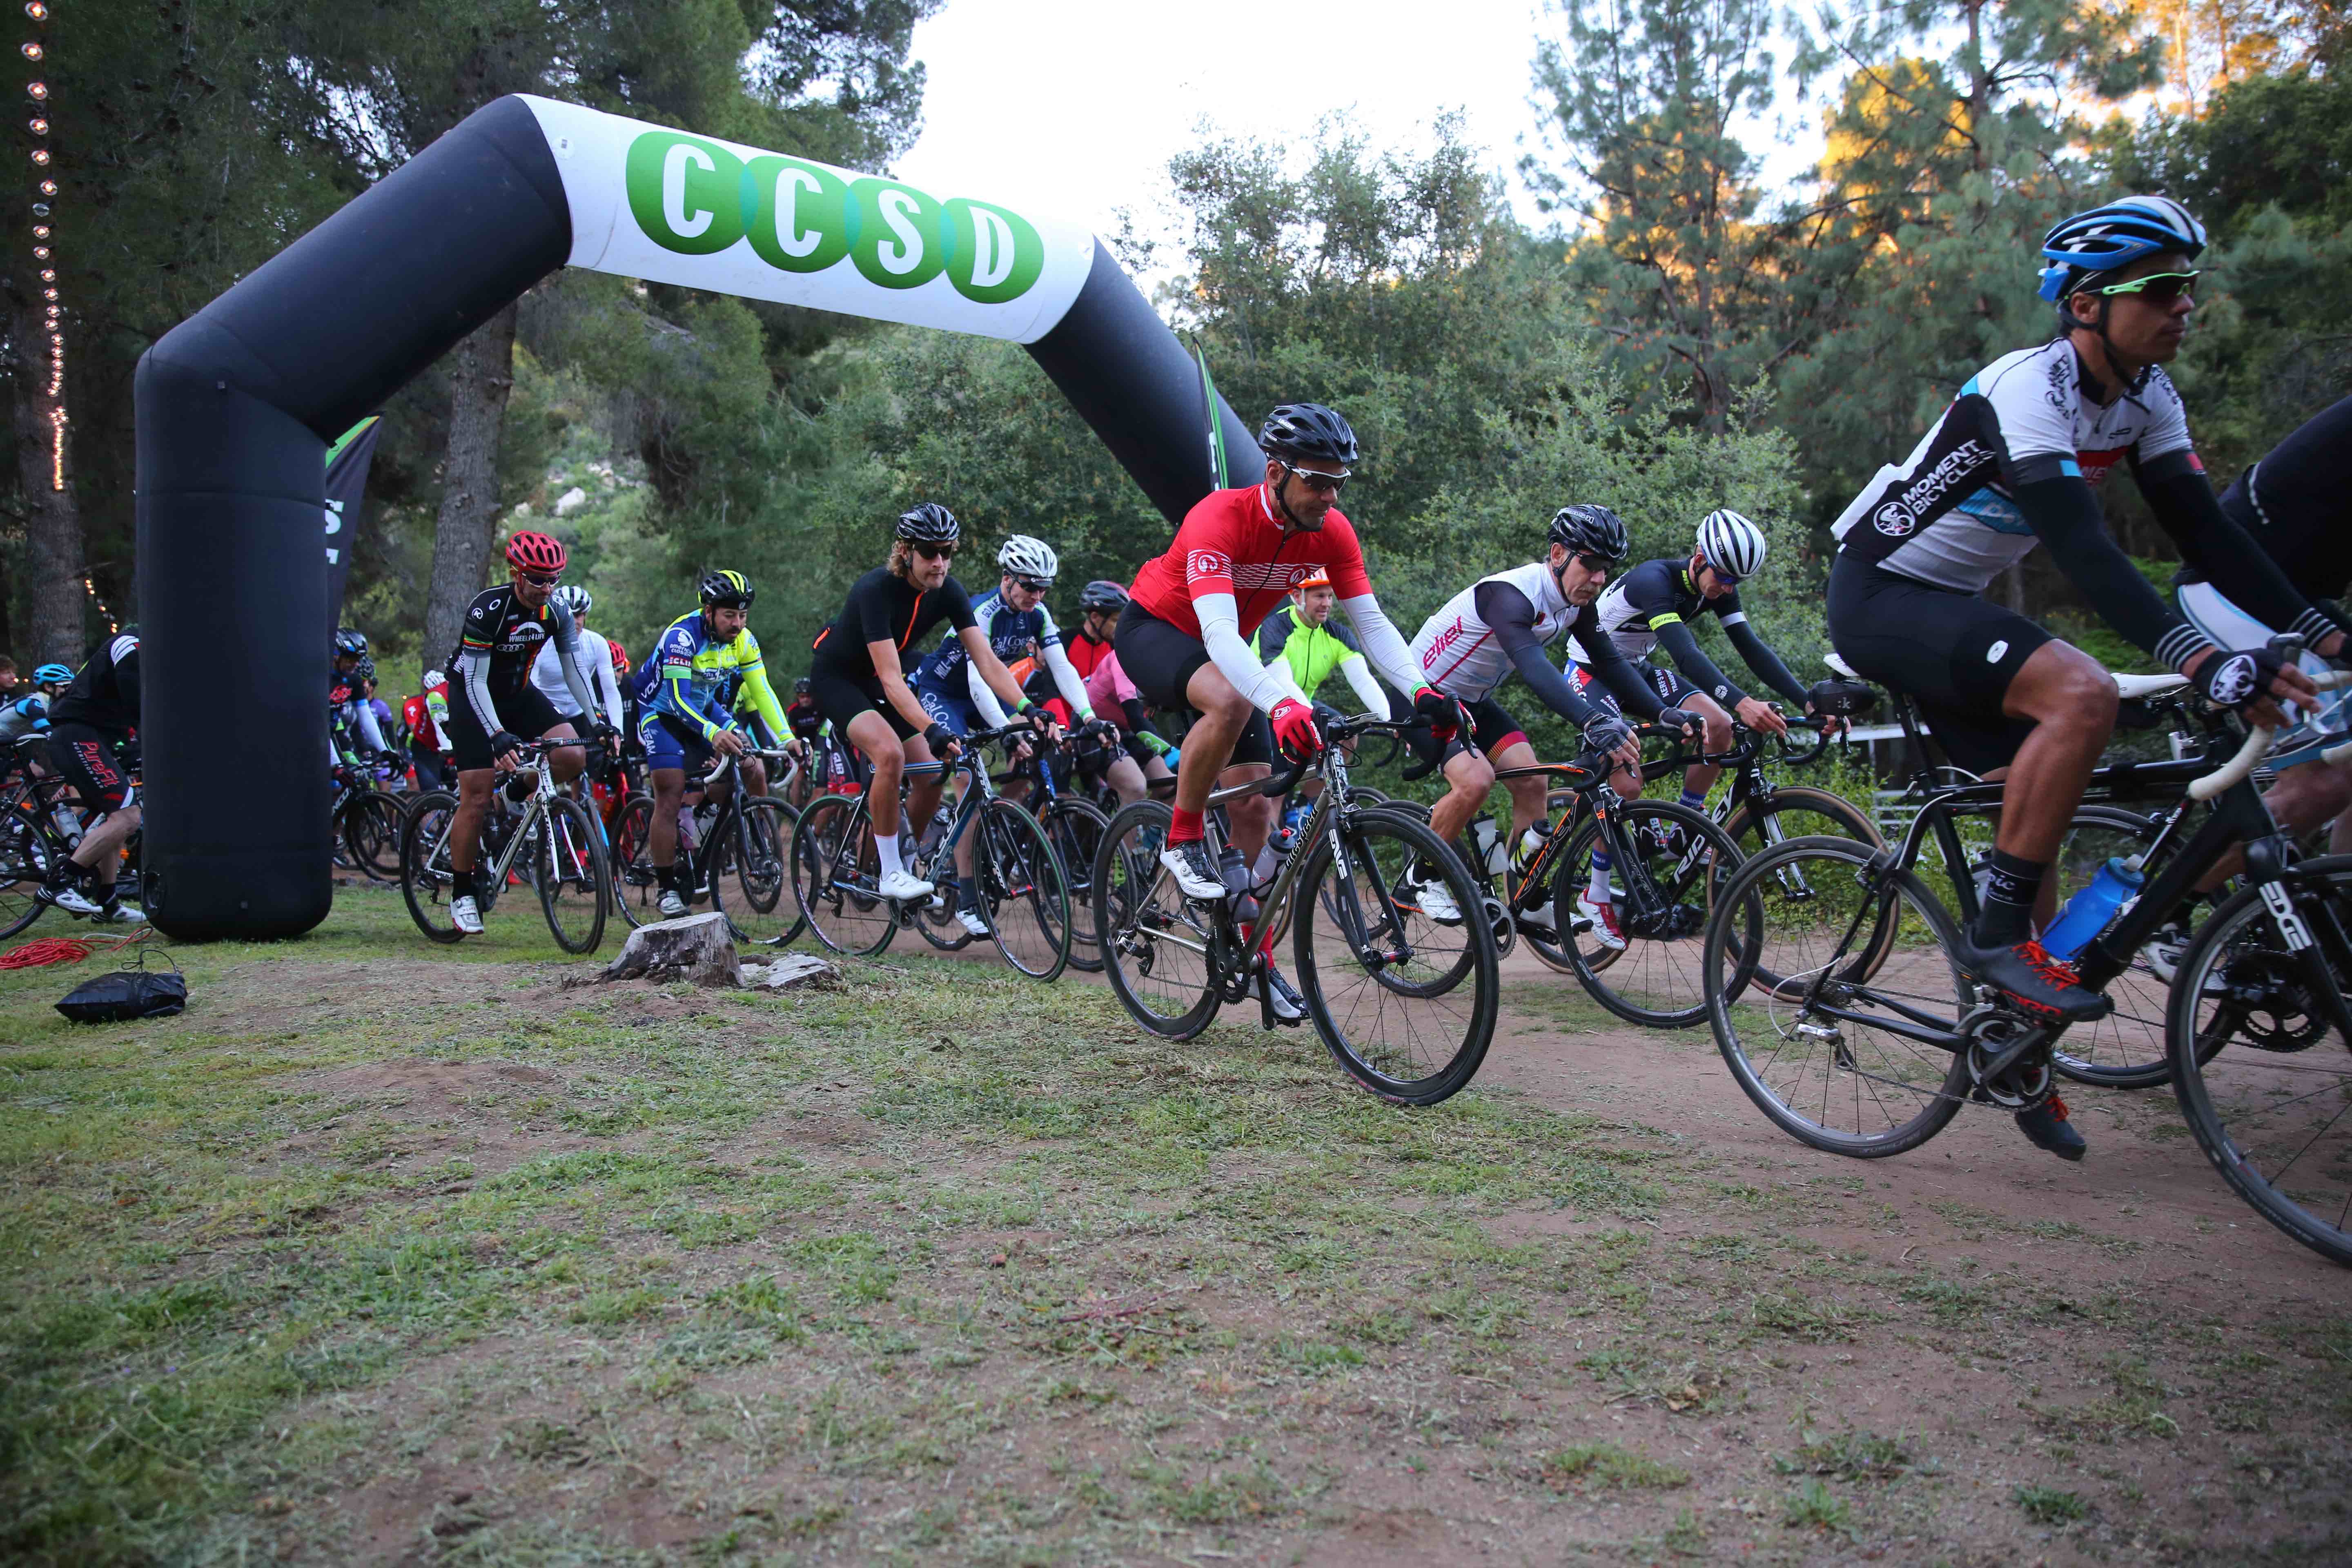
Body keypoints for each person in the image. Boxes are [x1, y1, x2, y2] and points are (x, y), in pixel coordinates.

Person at [1825, 194, 2343, 1158]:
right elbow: (2082, 548)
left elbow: (2206, 532)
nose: (2184, 305)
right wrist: (2199, 656)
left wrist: (2321, 631)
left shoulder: (2147, 395)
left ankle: (2015, 1052)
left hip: (1952, 606)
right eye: (2162, 288)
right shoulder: (2027, 388)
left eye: (2188, 286)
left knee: (2035, 822)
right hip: (1880, 594)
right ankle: (1993, 939)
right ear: (2085, 304)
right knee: (2083, 692)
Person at [1114, 402, 1448, 1023]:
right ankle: (1182, 837)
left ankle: (1257, 962)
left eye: (1338, 482)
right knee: (1231, 700)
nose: (1329, 496)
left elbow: (1371, 624)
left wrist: (1420, 692)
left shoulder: (1332, 533)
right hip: (1157, 630)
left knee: (1254, 808)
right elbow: (1218, 632)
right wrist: (1282, 702)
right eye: (1317, 481)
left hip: (1226, 653)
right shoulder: (1219, 517)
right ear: (1275, 472)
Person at [1405, 505, 1692, 943]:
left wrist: (1661, 711)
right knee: (1476, 781)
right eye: (1590, 564)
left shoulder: (1575, 603)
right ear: (1558, 554)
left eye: (1606, 569)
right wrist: (1592, 720)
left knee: (1533, 781)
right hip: (1421, 697)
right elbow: (1534, 666)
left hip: (1472, 702)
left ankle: (1528, 899)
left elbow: (1609, 661)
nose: (1599, 578)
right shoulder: (1511, 596)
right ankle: (1421, 875)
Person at [807, 504, 1050, 906]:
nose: (940, 562)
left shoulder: (949, 592)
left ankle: (898, 869)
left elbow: (987, 662)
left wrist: (1027, 709)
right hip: (839, 679)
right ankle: (891, 873)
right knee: (889, 754)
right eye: (929, 552)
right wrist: (932, 729)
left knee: (934, 774)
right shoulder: (875, 590)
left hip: (878, 680)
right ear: (906, 551)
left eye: (946, 552)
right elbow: (892, 679)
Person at [2163, 394, 2352, 907]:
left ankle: (2341, 925)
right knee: (2322, 785)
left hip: (2294, 600)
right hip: (2229, 593)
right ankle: (2160, 912)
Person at [1565, 507, 1822, 831]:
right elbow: (1685, 655)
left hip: (1635, 669)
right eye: (1725, 578)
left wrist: (1808, 703)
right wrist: (1743, 703)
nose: (1729, 588)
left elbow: (1752, 649)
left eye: (1737, 581)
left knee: (1720, 725)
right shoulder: (1654, 580)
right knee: (1628, 787)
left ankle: (1686, 829)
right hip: (1590, 673)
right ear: (1700, 559)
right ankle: (1600, 867)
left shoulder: (1719, 587)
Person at [909, 535, 1102, 935]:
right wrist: (1010, 730)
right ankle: (967, 898)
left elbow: (1062, 668)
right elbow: (978, 680)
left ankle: (997, 825)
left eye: (1044, 587)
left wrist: (1089, 716)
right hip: (945, 693)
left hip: (985, 695)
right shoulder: (982, 612)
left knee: (1027, 753)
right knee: (968, 780)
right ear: (1008, 578)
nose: (1037, 595)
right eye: (1030, 586)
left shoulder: (1038, 614)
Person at [443, 531, 600, 935]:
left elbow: (574, 669)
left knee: (571, 755)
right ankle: (462, 892)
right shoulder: (489, 609)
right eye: (538, 579)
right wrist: (497, 734)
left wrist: (599, 721)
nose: (546, 588)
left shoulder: (556, 611)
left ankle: (512, 796)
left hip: (518, 692)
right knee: (476, 794)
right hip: (471, 694)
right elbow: (476, 681)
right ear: (517, 573)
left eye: (554, 580)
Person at [632, 569, 789, 919]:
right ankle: (667, 889)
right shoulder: (682, 637)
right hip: (660, 711)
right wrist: (712, 734)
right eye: (729, 615)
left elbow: (762, 690)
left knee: (751, 766)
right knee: (671, 790)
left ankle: (708, 827)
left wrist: (787, 738)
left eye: (743, 615)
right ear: (709, 612)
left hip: (703, 708)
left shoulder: (744, 640)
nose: (738, 624)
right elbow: (677, 700)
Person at [36, 631, 144, 922]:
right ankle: (60, 884)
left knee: (116, 819)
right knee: (128, 818)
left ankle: (108, 904)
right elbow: (139, 708)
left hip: (92, 737)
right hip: (79, 736)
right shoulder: (131, 644)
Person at [532, 584, 627, 761]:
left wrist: (618, 731)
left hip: (581, 711)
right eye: (568, 614)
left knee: (592, 762)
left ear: (585, 616)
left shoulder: (597, 643)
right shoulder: (541, 645)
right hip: (548, 709)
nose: (573, 621)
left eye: (578, 615)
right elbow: (532, 686)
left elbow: (610, 691)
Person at [402, 669, 454, 791]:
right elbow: (439, 723)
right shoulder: (435, 696)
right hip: (423, 746)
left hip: (438, 745)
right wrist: (448, 747)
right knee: (431, 788)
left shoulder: (455, 690)